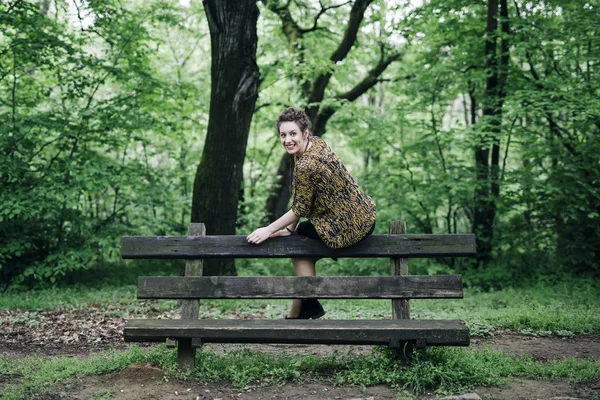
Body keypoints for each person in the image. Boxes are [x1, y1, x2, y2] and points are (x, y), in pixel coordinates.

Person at [246, 107, 376, 319]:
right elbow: (304, 199)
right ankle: (297, 314)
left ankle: (310, 302)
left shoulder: (307, 164)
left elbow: (300, 208)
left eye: (293, 134)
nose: (288, 140)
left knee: (298, 244)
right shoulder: (316, 143)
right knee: (302, 249)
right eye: (283, 135)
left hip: (350, 224)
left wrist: (268, 230)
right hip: (363, 215)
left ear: (305, 133)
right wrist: (289, 228)